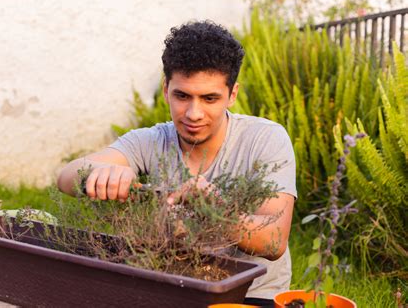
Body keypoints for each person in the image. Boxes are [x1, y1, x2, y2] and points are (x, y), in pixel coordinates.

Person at [57, 20, 296, 306]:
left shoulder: (265, 139)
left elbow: (274, 242)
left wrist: (215, 210)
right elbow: (66, 176)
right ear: (166, 88)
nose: (193, 113)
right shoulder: (150, 141)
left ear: (232, 95)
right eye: (182, 96)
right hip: (173, 286)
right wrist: (101, 173)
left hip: (250, 295)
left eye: (209, 98)